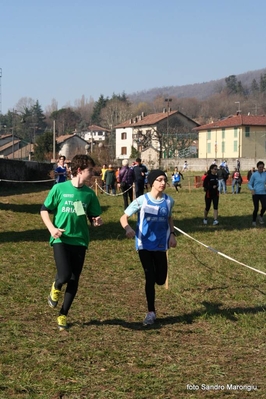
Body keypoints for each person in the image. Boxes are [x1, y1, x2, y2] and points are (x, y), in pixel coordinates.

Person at [40, 154, 103, 331]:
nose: (92, 173)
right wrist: (52, 229)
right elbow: (44, 210)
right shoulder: (59, 189)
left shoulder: (89, 194)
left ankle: (63, 314)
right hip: (60, 238)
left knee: (74, 279)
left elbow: (93, 215)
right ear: (79, 170)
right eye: (90, 170)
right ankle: (56, 285)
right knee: (65, 275)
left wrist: (96, 221)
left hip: (80, 241)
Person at [120, 169, 177, 326]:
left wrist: (172, 234)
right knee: (150, 278)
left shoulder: (169, 201)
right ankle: (151, 312)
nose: (163, 183)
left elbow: (170, 218)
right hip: (143, 244)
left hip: (160, 244)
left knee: (160, 279)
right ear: (152, 182)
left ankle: (151, 308)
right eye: (159, 180)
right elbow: (123, 217)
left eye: (165, 180)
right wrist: (128, 229)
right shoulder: (141, 201)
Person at [248, 161, 266, 227]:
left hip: (263, 193)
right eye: (260, 167)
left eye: (262, 167)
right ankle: (254, 220)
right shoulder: (254, 175)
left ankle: (260, 216)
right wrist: (252, 189)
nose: (261, 168)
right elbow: (249, 184)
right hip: (256, 193)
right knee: (256, 208)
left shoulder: (265, 174)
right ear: (257, 167)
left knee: (264, 206)